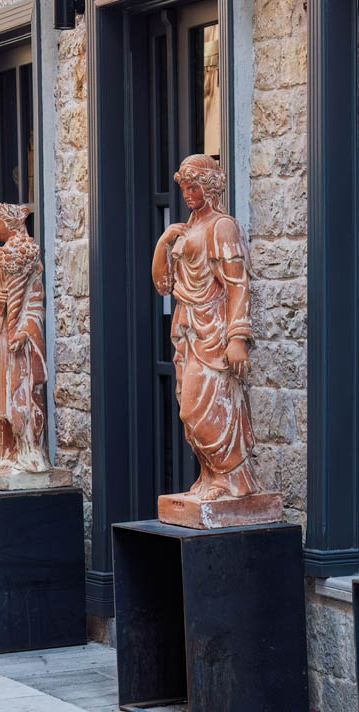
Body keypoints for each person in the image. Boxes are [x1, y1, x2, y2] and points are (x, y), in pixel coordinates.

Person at [151, 154, 260, 501]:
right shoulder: (186, 230)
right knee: (188, 408)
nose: (187, 194)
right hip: (188, 329)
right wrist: (163, 243)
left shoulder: (222, 226)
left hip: (214, 329)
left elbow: (238, 284)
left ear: (209, 188)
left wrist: (238, 336)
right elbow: (163, 285)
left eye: (193, 187)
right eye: (184, 188)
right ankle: (210, 475)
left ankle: (232, 479)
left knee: (209, 406)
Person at [0, 202, 51, 474]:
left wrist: (25, 330)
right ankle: (3, 451)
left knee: (16, 394)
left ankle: (26, 453)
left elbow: (35, 301)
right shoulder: (3, 257)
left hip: (15, 338)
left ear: (9, 224)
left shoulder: (26, 256)